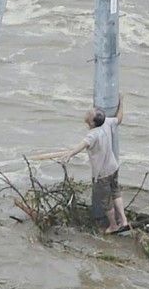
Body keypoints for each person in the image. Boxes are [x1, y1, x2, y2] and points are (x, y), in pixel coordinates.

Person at [33, 95, 129, 235]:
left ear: (92, 122)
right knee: (115, 192)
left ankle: (113, 225)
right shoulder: (107, 123)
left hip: (102, 174)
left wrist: (69, 155)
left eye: (89, 114)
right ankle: (124, 221)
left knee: (106, 200)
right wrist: (122, 102)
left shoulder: (92, 135)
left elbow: (82, 145)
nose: (87, 113)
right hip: (113, 167)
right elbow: (119, 118)